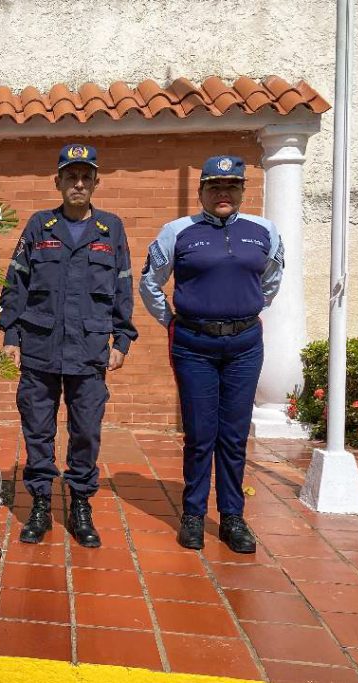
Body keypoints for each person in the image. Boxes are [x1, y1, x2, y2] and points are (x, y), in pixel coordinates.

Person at [140, 155, 283, 554]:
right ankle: (192, 514)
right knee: (201, 435)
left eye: (232, 186)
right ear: (202, 190)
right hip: (194, 346)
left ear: (242, 190)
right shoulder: (177, 232)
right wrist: (170, 319)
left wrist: (245, 307)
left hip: (244, 346)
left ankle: (233, 517)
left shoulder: (264, 231)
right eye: (215, 186)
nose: (224, 193)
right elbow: (149, 281)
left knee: (235, 436)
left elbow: (272, 278)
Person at [0, 143, 137, 547]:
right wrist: (10, 335)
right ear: (57, 181)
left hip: (90, 349)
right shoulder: (39, 226)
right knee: (37, 430)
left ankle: (80, 504)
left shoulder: (110, 230)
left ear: (96, 182)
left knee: (86, 433)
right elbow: (16, 283)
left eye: (85, 177)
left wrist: (122, 339)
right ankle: (41, 503)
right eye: (70, 177)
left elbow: (122, 289)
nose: (78, 183)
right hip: (40, 346)